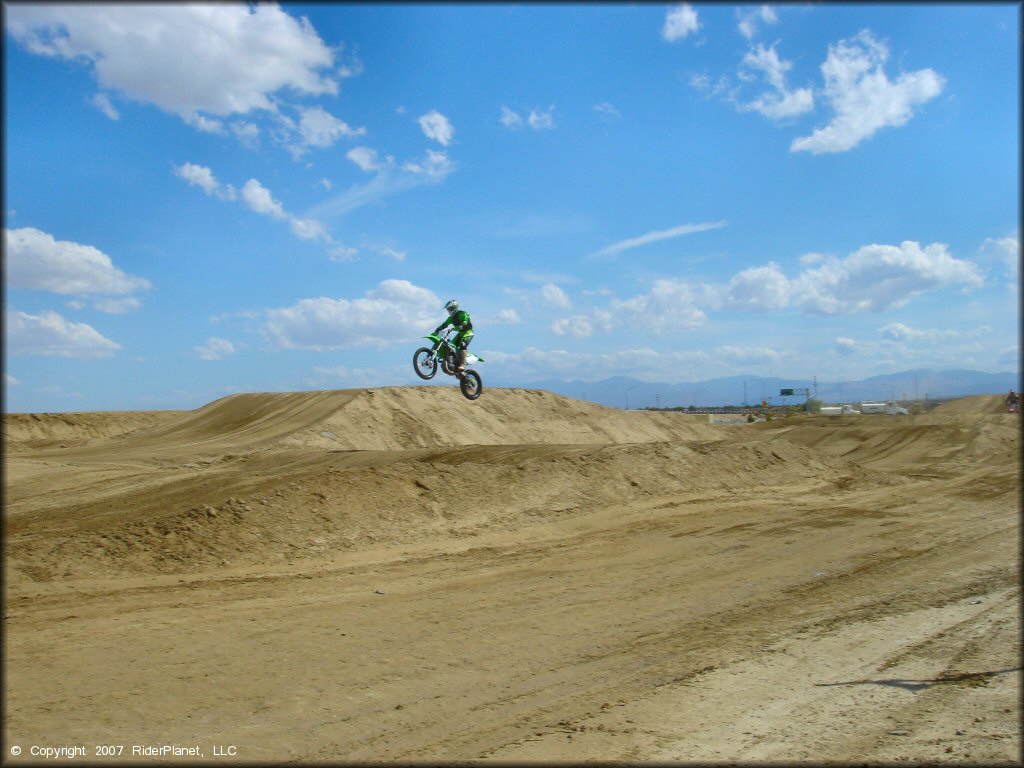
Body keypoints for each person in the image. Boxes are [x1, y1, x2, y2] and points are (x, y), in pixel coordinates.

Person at [434, 299, 474, 372]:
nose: (449, 310)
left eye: (450, 308)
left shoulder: (462, 313)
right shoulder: (451, 318)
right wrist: (437, 330)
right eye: (448, 309)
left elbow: (464, 323)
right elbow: (444, 325)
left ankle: (463, 364)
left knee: (463, 344)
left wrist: (458, 326)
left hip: (468, 332)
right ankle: (450, 363)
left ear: (455, 307)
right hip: (460, 334)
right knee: (449, 346)